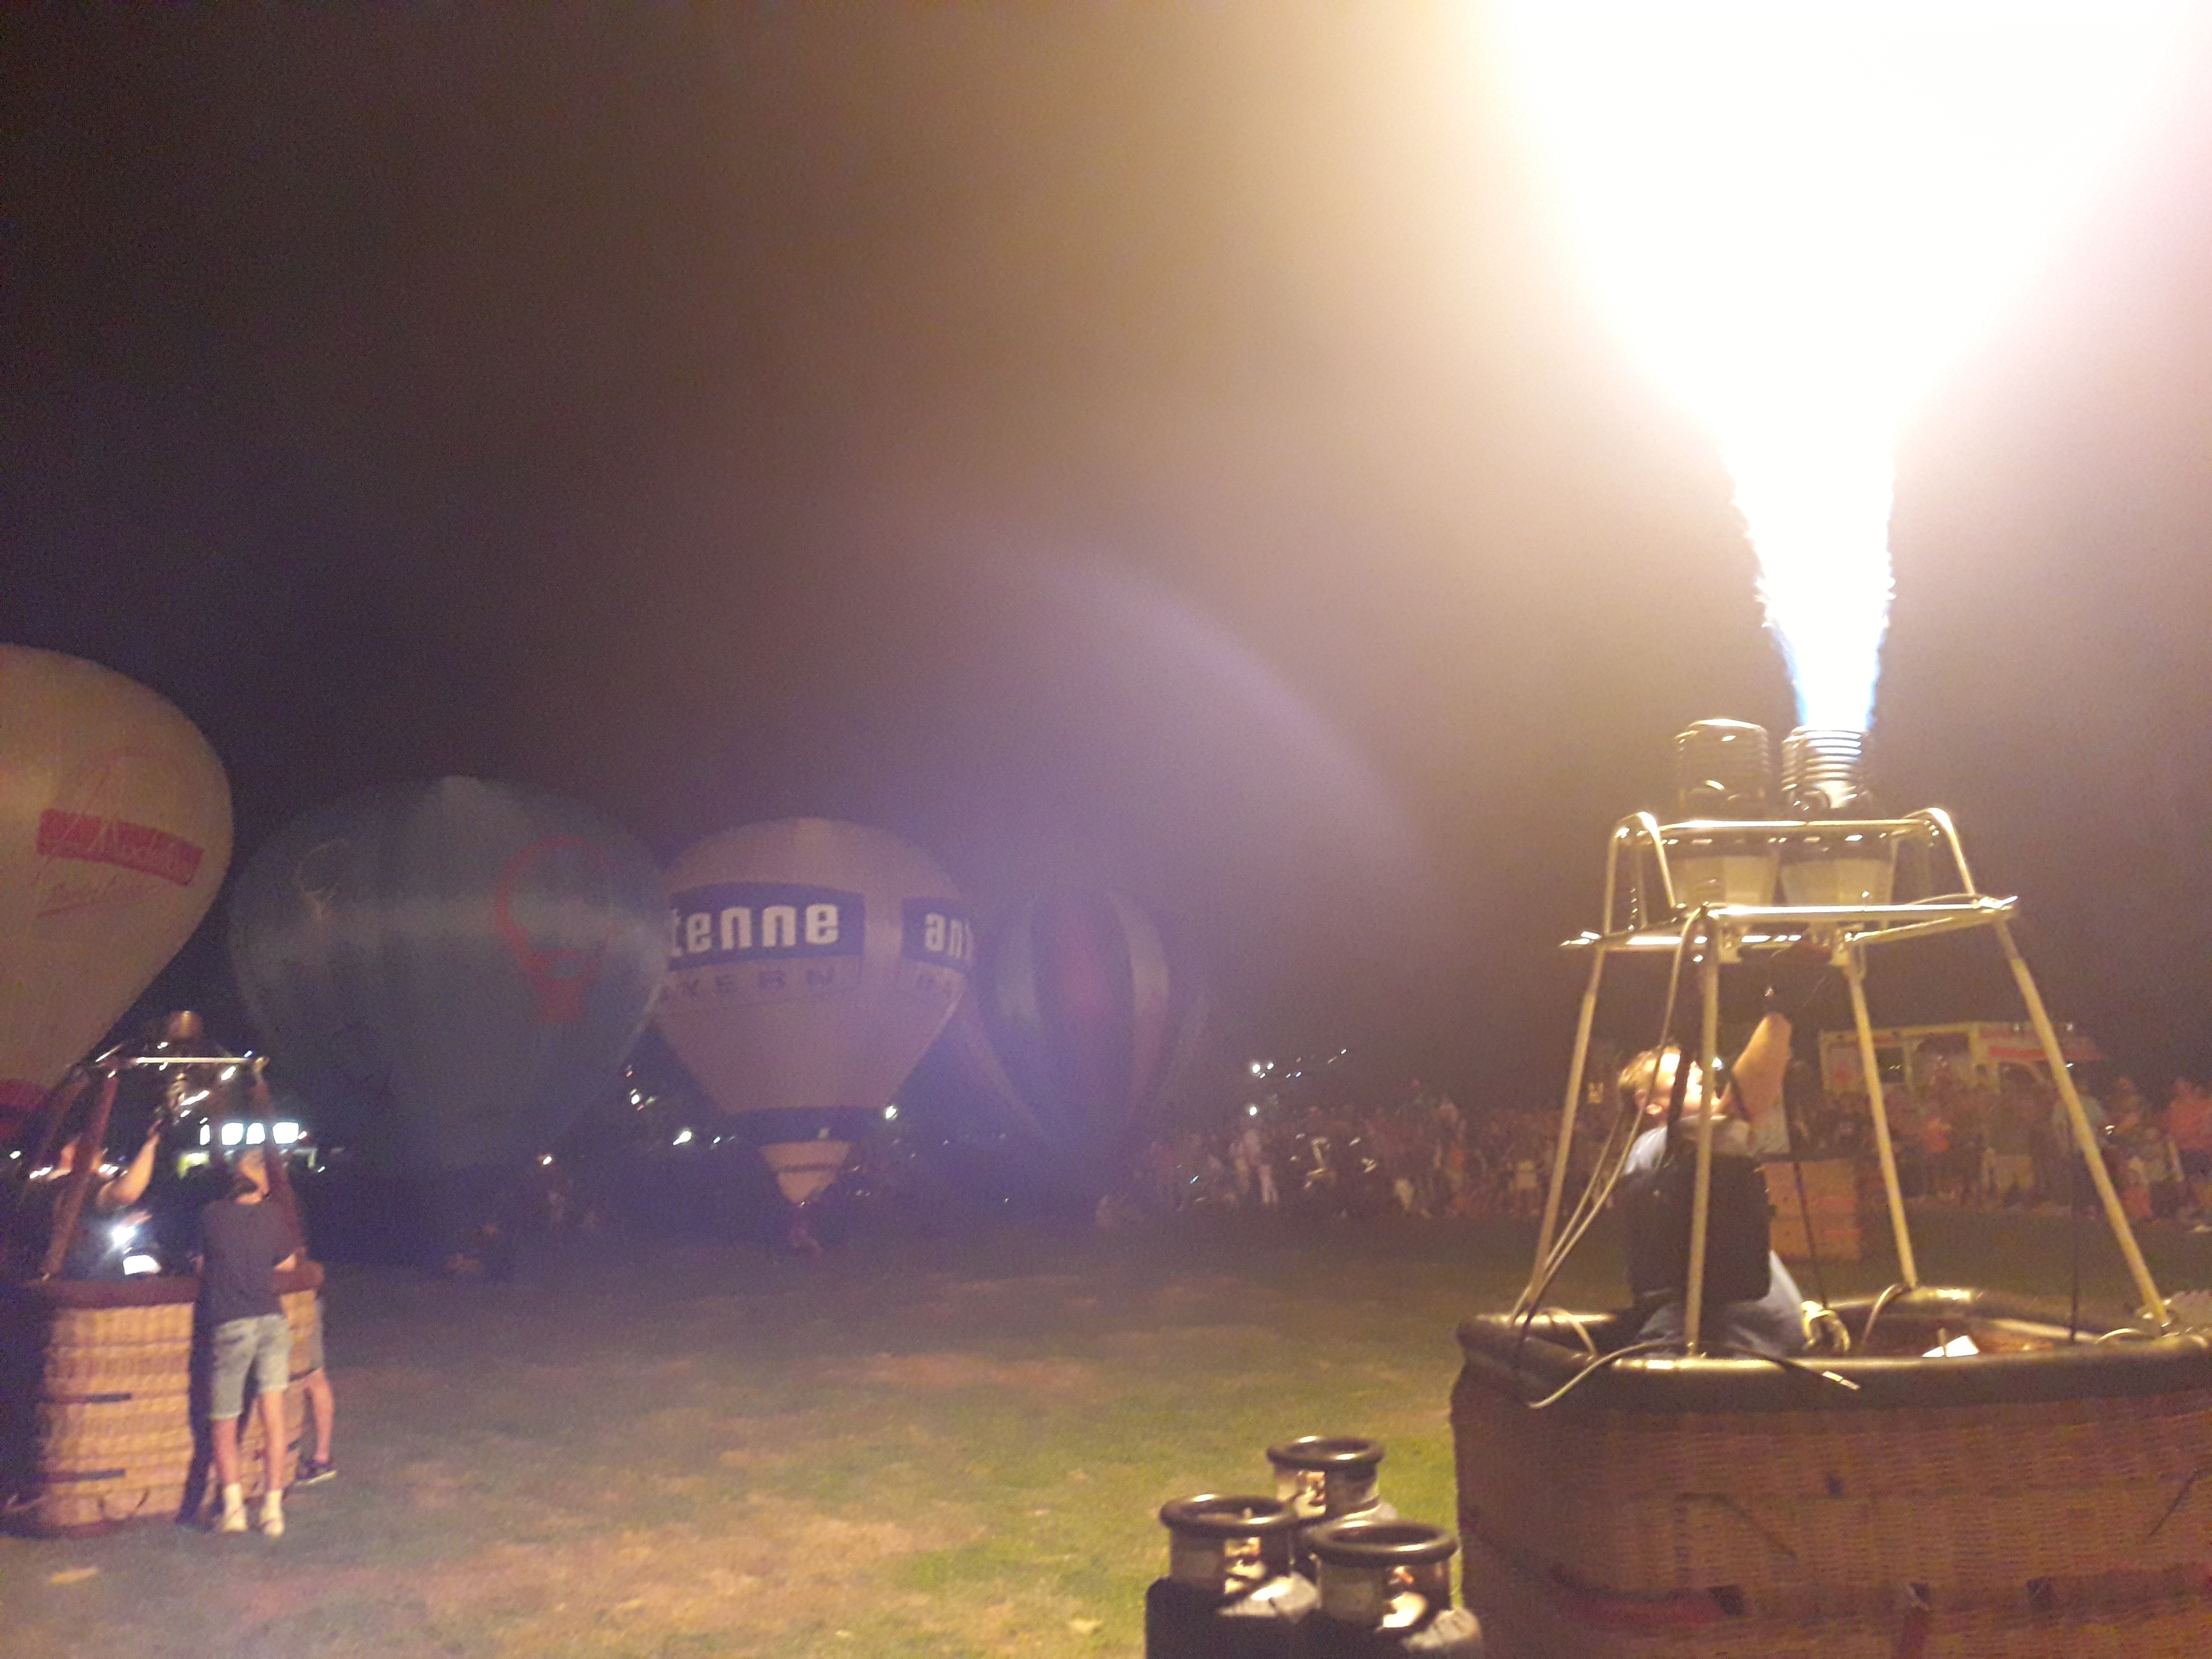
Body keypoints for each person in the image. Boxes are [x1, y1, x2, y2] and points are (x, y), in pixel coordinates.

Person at [1614, 961, 1821, 1358]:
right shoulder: (1655, 1150)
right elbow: (1739, 1112)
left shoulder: (1701, 1161)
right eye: (1685, 1076)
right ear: (1650, 1103)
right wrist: (1782, 1013)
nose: (1702, 1074)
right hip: (1716, 1370)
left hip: (1753, 1366)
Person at [198, 1146, 298, 1536]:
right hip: (272, 1320)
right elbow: (288, 1263)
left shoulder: (212, 1215)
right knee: (274, 1418)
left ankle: (235, 1511)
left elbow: (203, 1263)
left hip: (231, 1322)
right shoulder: (273, 1216)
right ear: (262, 1181)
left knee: (225, 1421)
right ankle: (273, 1511)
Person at [5, 1093, 166, 1277]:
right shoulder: (77, 1184)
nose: (101, 1159)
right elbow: (127, 1193)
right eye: (96, 1152)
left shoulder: (37, 1188)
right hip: (81, 1286)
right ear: (69, 1152)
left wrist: (119, 1223)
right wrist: (151, 1145)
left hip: (36, 1282)